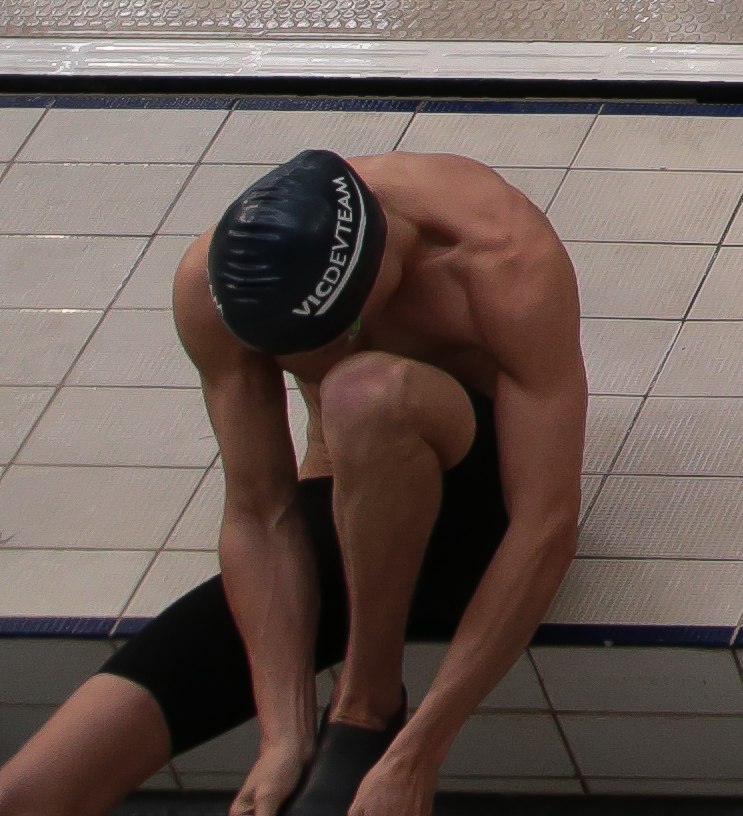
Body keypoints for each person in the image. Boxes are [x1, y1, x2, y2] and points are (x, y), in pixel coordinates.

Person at [0, 148, 586, 816]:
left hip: (479, 514)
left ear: (375, 275)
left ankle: (368, 705)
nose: (328, 354)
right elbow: (260, 511)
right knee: (27, 793)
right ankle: (348, 718)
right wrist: (281, 733)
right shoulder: (215, 286)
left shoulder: (498, 257)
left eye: (347, 330)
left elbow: (546, 523)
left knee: (360, 393)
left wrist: (420, 753)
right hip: (341, 531)